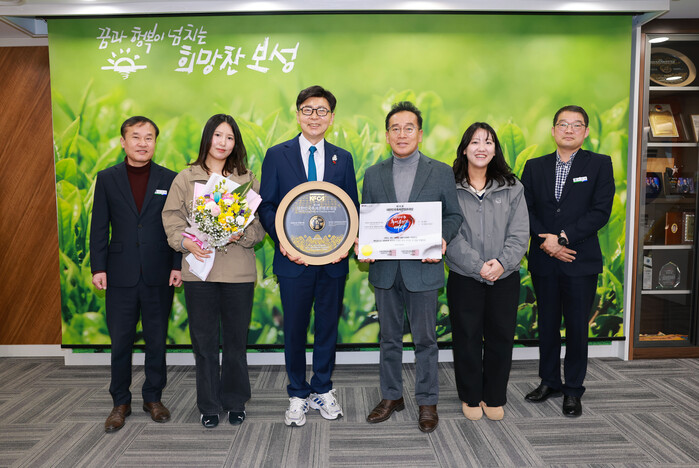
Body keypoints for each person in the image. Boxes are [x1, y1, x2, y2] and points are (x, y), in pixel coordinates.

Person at [258, 85, 359, 427]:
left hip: (332, 262)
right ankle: (297, 393)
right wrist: (283, 241)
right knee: (295, 329)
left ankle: (323, 388)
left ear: (332, 117)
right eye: (308, 109)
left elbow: (350, 208)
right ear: (298, 114)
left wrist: (346, 242)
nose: (314, 116)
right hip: (293, 262)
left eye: (322, 111)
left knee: (328, 327)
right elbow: (267, 205)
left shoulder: (343, 158)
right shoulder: (277, 155)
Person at [360, 101, 462, 433]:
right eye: (395, 128)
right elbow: (368, 219)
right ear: (387, 135)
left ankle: (427, 401)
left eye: (408, 128)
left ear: (420, 134)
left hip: (424, 269)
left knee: (425, 340)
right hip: (385, 271)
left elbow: (454, 215)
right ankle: (391, 397)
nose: (401, 134)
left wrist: (442, 239)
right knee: (389, 339)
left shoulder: (441, 171)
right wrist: (365, 245)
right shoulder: (373, 174)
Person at [162, 114, 266, 428]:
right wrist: (186, 243)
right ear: (207, 138)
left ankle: (235, 402)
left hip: (238, 273)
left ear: (236, 143)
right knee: (204, 344)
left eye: (230, 137)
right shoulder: (186, 178)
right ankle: (208, 404)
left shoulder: (246, 179)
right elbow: (172, 220)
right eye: (218, 135)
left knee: (235, 344)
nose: (223, 143)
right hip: (200, 272)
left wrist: (241, 233)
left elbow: (259, 228)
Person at [520, 105, 614, 417]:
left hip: (579, 259)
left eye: (576, 125)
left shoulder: (600, 164)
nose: (569, 130)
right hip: (544, 260)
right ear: (553, 130)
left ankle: (573, 389)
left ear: (586, 131)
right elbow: (525, 209)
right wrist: (546, 241)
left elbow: (600, 211)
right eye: (563, 124)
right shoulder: (535, 167)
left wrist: (562, 239)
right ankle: (549, 381)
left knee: (576, 328)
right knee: (547, 325)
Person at [90, 116, 182, 433]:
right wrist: (98, 267)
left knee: (157, 340)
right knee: (121, 342)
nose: (143, 143)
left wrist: (177, 264)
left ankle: (153, 398)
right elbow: (99, 227)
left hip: (159, 272)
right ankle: (120, 402)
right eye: (136, 137)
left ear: (156, 142)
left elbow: (176, 226)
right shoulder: (107, 178)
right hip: (120, 273)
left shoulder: (170, 178)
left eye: (149, 137)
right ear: (123, 142)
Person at [445, 122, 529, 421]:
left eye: (488, 142)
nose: (482, 148)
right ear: (464, 149)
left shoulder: (512, 186)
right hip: (464, 276)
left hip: (504, 276)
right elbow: (449, 234)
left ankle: (493, 396)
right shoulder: (449, 186)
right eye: (475, 142)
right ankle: (470, 396)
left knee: (501, 337)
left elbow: (520, 233)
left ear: (495, 150)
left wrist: (502, 263)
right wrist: (477, 265)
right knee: (466, 337)